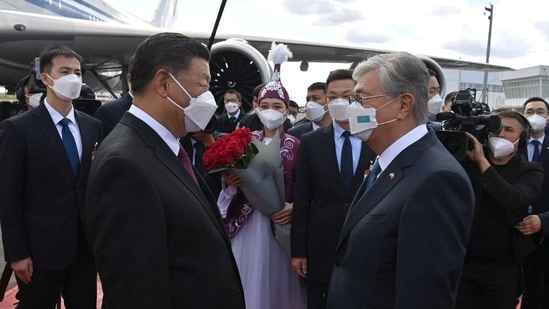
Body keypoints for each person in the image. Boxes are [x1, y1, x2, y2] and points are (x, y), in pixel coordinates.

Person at [85, 32, 245, 308]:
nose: (209, 98)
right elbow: (137, 293)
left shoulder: (162, 147)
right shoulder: (124, 166)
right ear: (163, 83)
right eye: (203, 85)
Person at [326, 52, 475, 309]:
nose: (353, 109)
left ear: (404, 104)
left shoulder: (436, 179)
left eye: (361, 99)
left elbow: (425, 296)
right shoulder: (388, 161)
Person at [0, 45, 103, 308]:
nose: (74, 78)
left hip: (83, 249)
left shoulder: (92, 126)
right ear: (46, 78)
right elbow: (9, 195)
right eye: (65, 71)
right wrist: (17, 253)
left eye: (78, 72)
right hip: (39, 252)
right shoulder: (18, 129)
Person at [218, 42, 306, 309]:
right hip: (247, 223)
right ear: (256, 106)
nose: (270, 110)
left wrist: (294, 207)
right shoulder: (245, 141)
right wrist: (230, 184)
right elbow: (233, 182)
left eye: (277, 106)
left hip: (279, 225)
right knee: (246, 277)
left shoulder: (297, 145)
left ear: (287, 110)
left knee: (278, 284)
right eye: (265, 104)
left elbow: (305, 187)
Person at [291, 69, 376, 309]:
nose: (340, 102)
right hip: (321, 246)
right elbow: (303, 198)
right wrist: (299, 251)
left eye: (347, 96)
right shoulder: (311, 142)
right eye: (333, 96)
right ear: (326, 100)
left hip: (366, 244)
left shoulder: (375, 137)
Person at [456, 110, 543, 308]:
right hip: (463, 263)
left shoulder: (530, 170)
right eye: (495, 130)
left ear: (521, 139)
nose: (500, 135)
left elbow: (512, 198)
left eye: (509, 130)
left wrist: (482, 162)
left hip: (503, 268)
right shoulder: (466, 162)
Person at [516, 97, 549, 309]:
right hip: (513, 228)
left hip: (545, 233)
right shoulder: (509, 144)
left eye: (540, 111)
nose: (534, 116)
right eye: (529, 112)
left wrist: (544, 220)